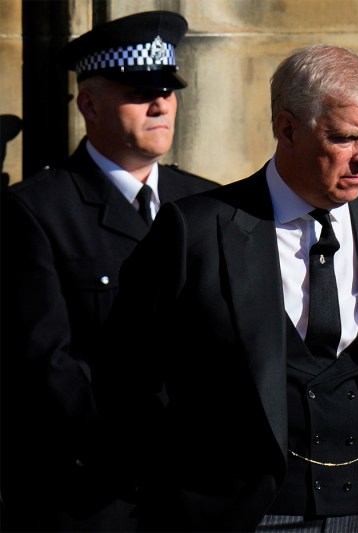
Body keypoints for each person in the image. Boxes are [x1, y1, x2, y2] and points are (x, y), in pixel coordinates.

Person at [92, 44, 358, 532]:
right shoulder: (197, 231)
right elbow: (124, 379)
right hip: (234, 514)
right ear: (287, 128)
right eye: (345, 138)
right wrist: (174, 492)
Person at [0, 11, 218, 531]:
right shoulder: (36, 210)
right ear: (89, 105)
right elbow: (45, 359)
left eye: (168, 89)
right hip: (95, 491)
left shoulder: (207, 202)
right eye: (140, 91)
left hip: (199, 491)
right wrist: (135, 453)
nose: (161, 103)